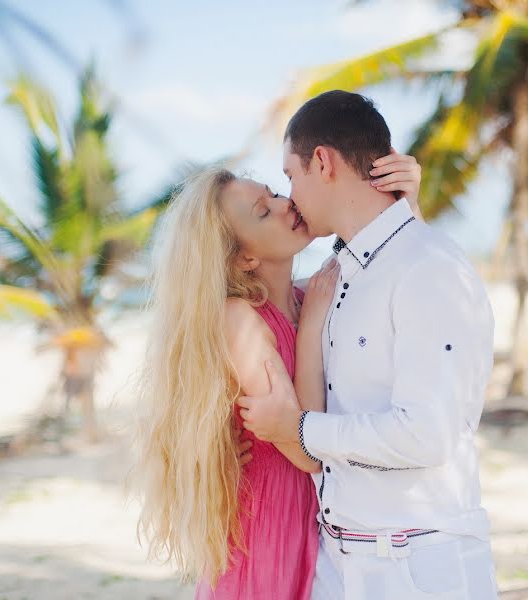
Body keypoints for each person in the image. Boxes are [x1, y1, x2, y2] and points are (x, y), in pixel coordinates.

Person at [238, 90, 499, 600]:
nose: (289, 197)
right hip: (338, 561)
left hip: (418, 567)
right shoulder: (334, 278)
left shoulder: (428, 268)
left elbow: (426, 434)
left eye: (290, 177)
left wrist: (300, 429)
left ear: (322, 162)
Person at [132, 146, 423, 599]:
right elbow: (305, 452)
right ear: (244, 259)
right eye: (263, 212)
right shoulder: (240, 317)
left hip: (321, 520)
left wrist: (409, 206)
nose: (286, 204)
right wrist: (309, 330)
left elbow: (405, 286)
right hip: (269, 523)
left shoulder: (315, 295)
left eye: (273, 193)